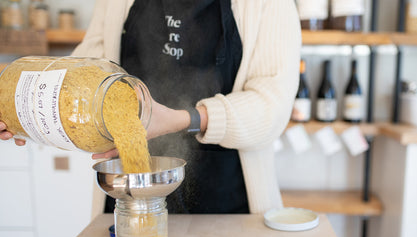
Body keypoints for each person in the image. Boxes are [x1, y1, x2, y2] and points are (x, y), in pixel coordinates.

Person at [0, 0, 301, 215]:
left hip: (227, 203)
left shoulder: (268, 5)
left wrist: (183, 119)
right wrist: (25, 110)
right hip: (127, 198)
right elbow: (83, 77)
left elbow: (271, 108)